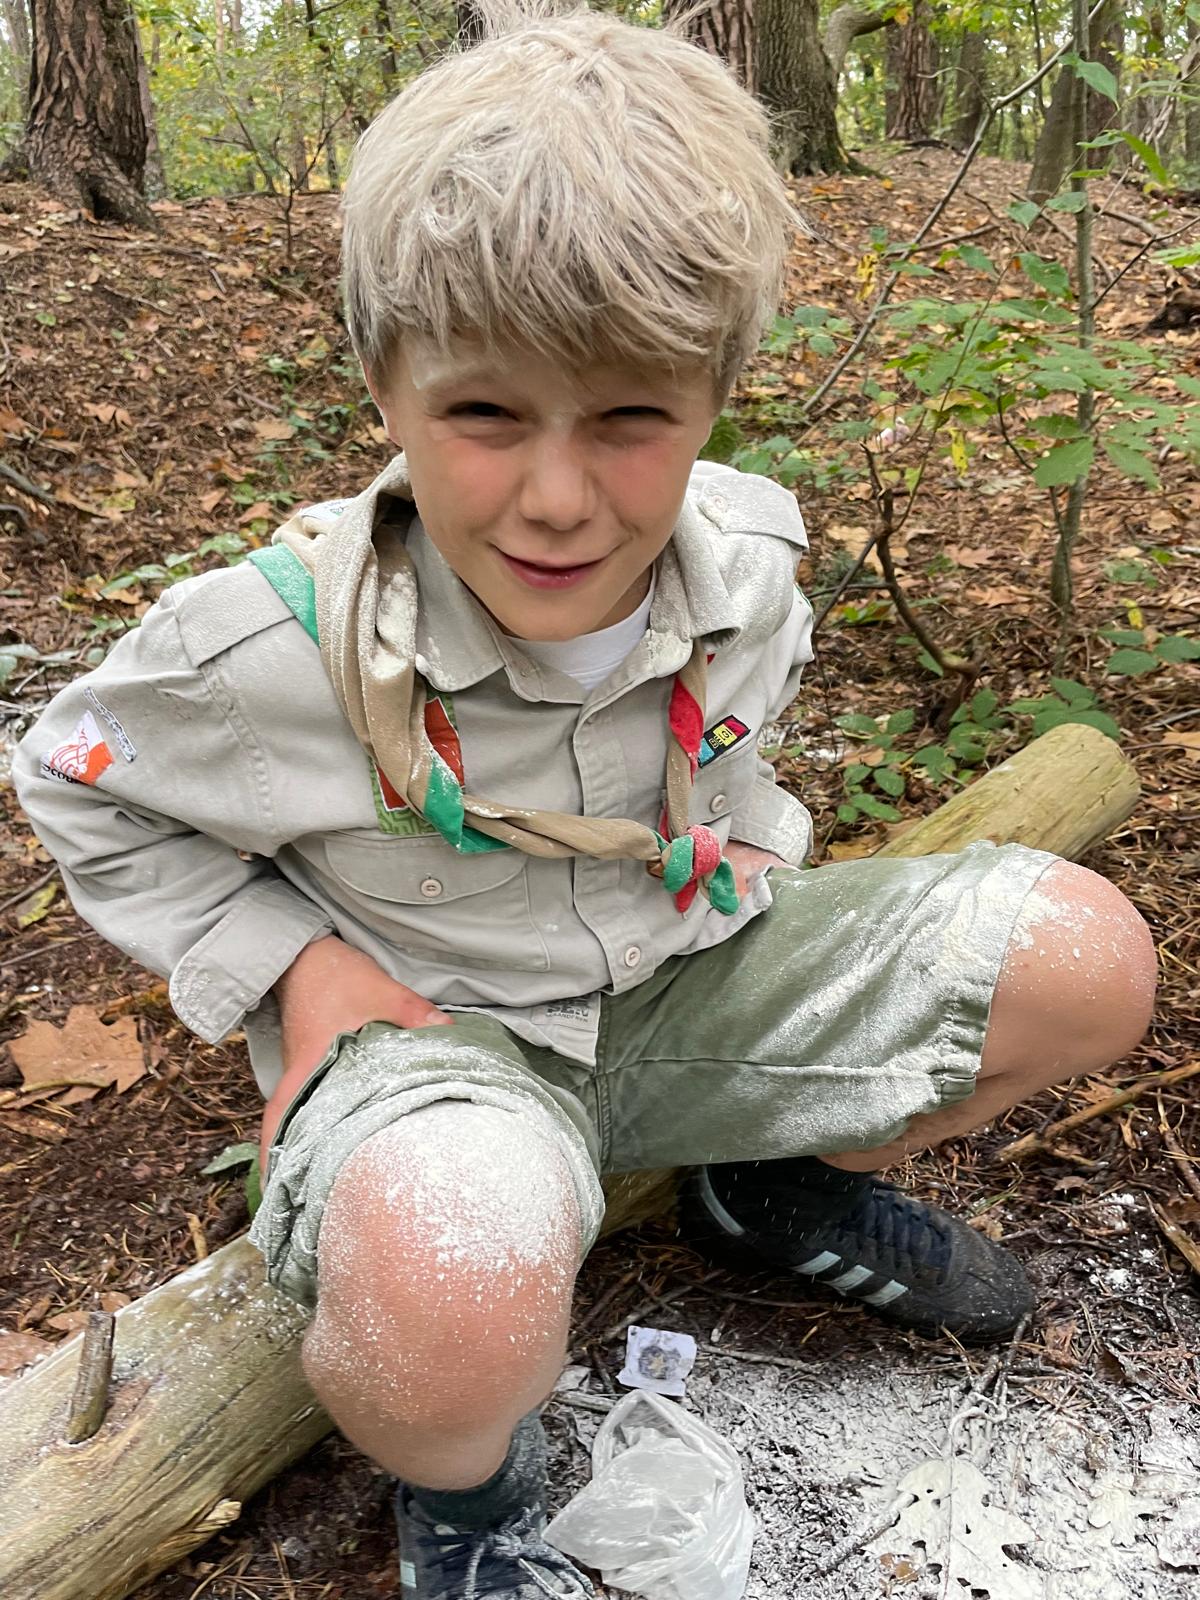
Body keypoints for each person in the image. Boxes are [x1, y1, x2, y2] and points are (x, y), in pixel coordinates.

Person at [14, 5, 1156, 1596]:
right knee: (454, 1274)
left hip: (684, 979)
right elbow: (76, 784)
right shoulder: (258, 648)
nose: (559, 497)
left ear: (716, 392)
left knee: (1085, 957)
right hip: (445, 1047)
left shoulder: (752, 568)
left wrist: (744, 849)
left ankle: (756, 1180)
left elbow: (739, 749)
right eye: (486, 415)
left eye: (631, 418)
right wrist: (299, 974)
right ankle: (470, 1499)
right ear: (386, 384)